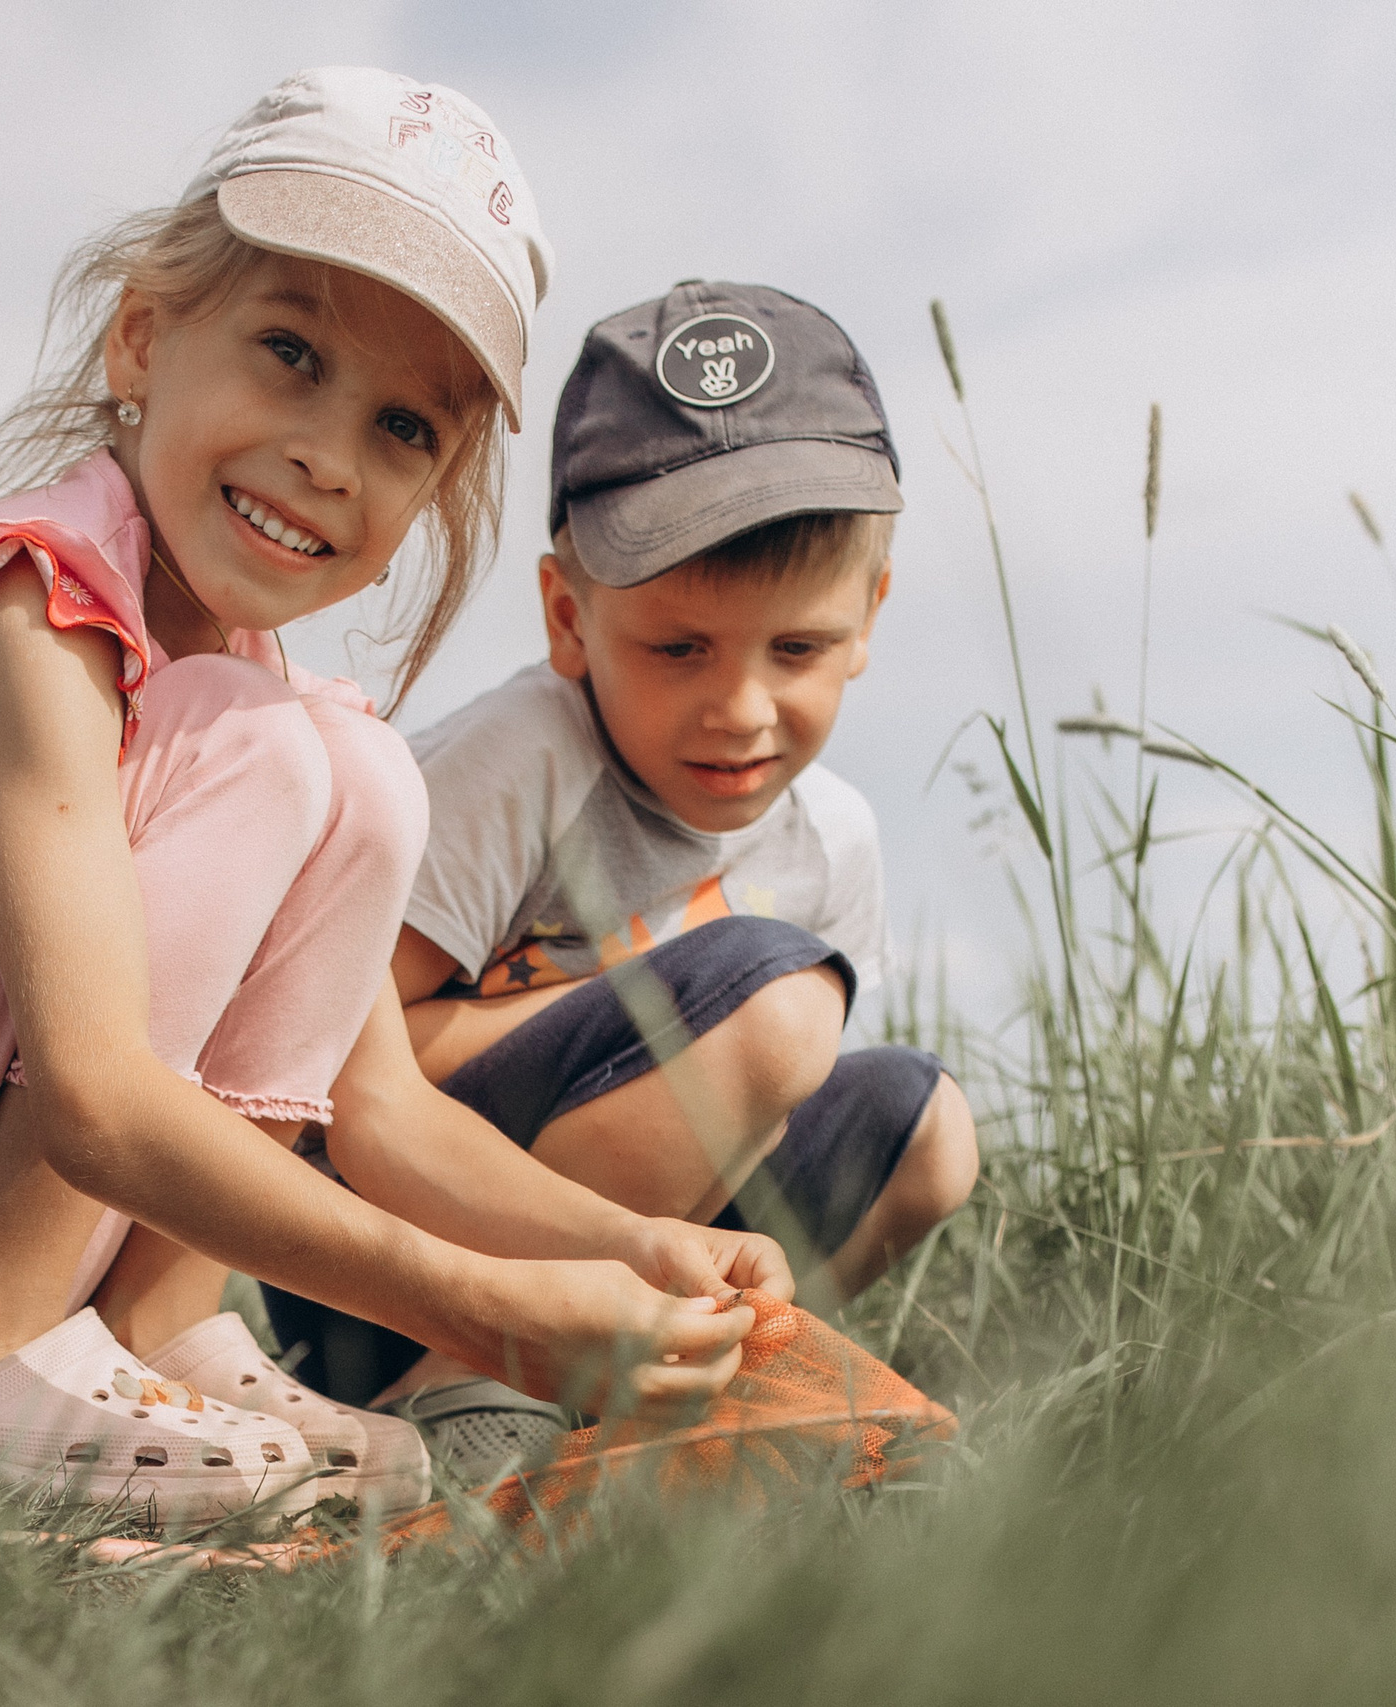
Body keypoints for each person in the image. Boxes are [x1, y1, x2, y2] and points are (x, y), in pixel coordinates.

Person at [0, 72, 790, 1528]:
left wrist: (633, 1247)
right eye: (289, 351)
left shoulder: (241, 684)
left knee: (357, 768)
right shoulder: (33, 610)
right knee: (271, 745)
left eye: (402, 430)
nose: (326, 455)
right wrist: (491, 1313)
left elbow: (373, 1111)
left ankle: (144, 1329)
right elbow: (103, 1098)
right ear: (143, 335)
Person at [263, 282, 981, 1476]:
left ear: (868, 619)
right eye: (677, 648)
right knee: (772, 1004)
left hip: (641, 1239)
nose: (741, 710)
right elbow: (320, 1063)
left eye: (795, 648)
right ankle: (466, 1381)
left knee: (928, 1127)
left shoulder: (834, 839)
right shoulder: (523, 762)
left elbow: (777, 1113)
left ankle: (690, 1386)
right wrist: (682, 1003)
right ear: (567, 617)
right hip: (396, 1267)